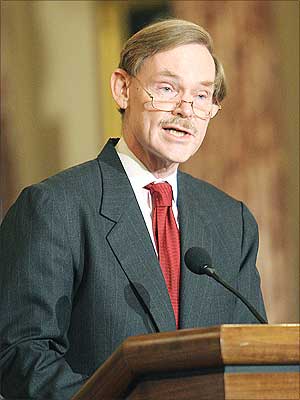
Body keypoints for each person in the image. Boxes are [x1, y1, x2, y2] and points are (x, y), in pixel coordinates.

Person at [0, 19, 266, 399]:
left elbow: (252, 358)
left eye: (202, 96)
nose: (185, 110)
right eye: (167, 89)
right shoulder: (54, 207)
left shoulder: (232, 221)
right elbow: (20, 355)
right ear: (123, 88)